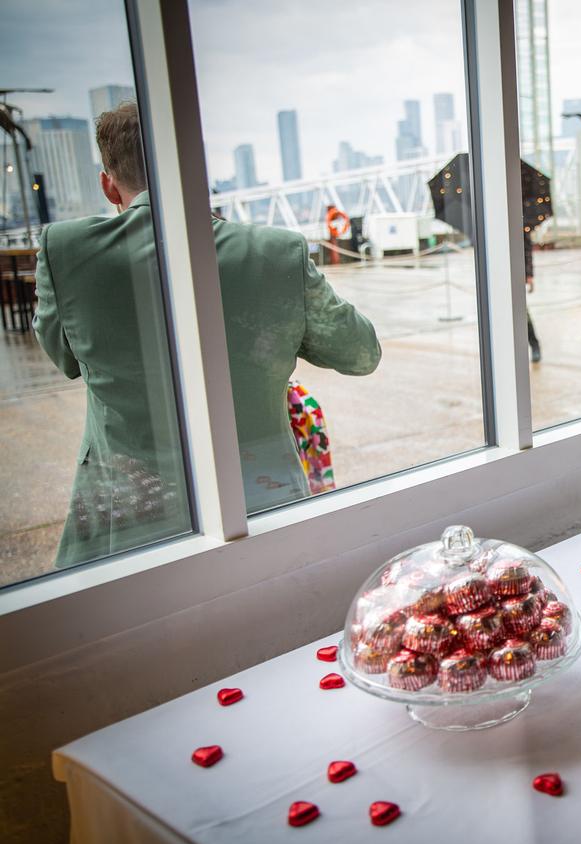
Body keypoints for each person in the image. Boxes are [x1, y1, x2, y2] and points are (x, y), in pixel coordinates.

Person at [34, 102, 381, 567]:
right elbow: (362, 355)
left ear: (108, 185)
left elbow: (65, 357)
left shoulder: (66, 250)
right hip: (260, 500)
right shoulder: (279, 254)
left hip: (126, 512)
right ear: (200, 175)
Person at [525, 228, 541, 363]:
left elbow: (526, 249)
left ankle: (534, 344)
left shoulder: (520, 225)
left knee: (523, 316)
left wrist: (529, 274)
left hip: (515, 278)